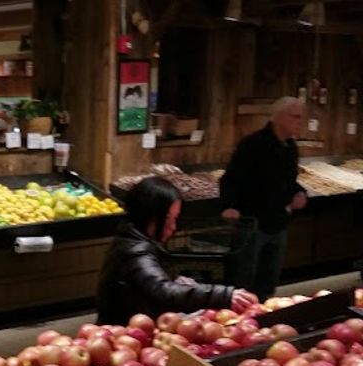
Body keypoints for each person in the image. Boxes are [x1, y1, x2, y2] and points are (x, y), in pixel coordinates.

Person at [96, 176, 257, 325]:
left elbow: (148, 282)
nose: (173, 227)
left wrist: (177, 280)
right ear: (151, 216)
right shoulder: (136, 250)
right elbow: (163, 291)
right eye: (169, 219)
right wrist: (224, 296)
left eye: (175, 219)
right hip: (124, 333)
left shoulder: (131, 237)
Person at [219, 96, 307, 299]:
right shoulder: (253, 144)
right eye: (295, 116)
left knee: (269, 282)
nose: (300, 121)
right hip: (253, 223)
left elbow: (288, 180)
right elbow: (230, 179)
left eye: (301, 117)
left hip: (278, 222)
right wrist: (229, 206)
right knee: (244, 283)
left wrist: (298, 192)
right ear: (279, 117)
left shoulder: (290, 147)